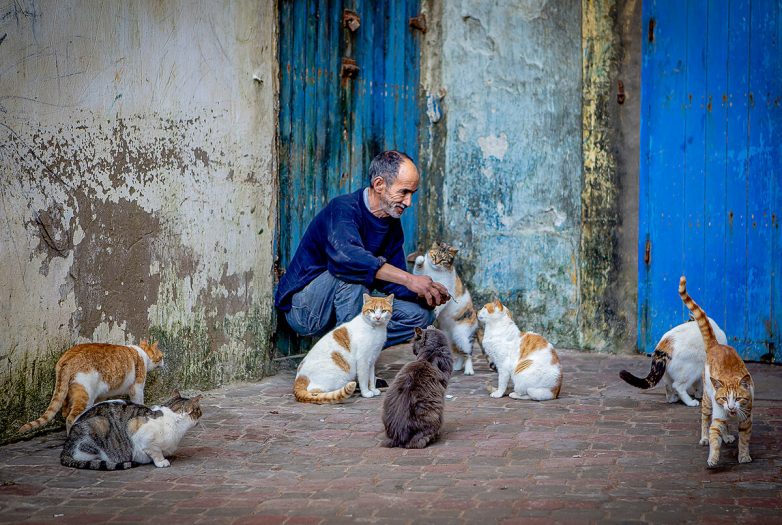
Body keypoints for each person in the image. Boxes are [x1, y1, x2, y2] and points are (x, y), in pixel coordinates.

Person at [274, 150, 449, 349]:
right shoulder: (343, 209)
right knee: (354, 273)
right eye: (404, 192)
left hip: (348, 307)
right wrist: (410, 279)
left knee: (421, 315)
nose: (408, 202)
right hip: (306, 311)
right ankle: (345, 364)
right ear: (379, 184)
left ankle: (353, 350)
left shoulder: (391, 224)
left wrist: (424, 292)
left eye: (412, 194)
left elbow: (395, 284)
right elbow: (347, 259)